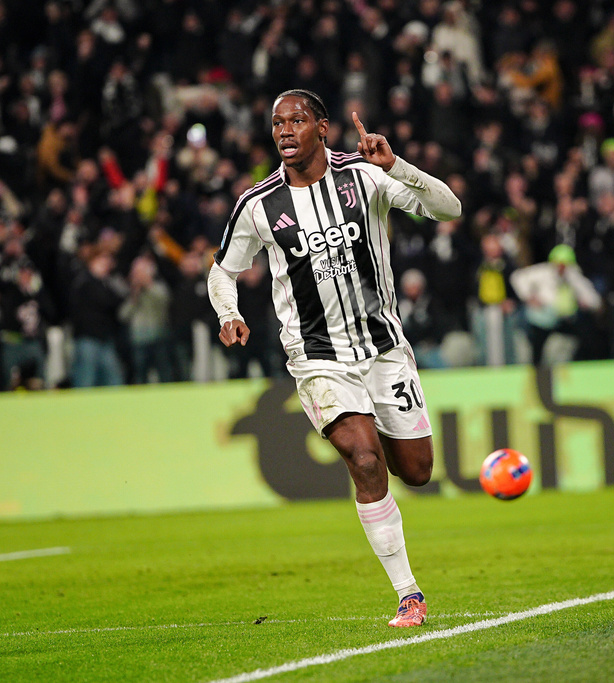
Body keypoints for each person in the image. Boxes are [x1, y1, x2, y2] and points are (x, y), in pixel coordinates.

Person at [208, 89, 461, 627]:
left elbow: (449, 208)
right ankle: (408, 594)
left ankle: (392, 484)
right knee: (365, 460)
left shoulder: (366, 177)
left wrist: (399, 165)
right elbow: (222, 270)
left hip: (384, 350)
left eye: (296, 120)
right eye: (276, 122)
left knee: (415, 472)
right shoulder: (259, 205)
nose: (284, 130)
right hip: (318, 358)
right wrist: (227, 313)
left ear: (322, 128)